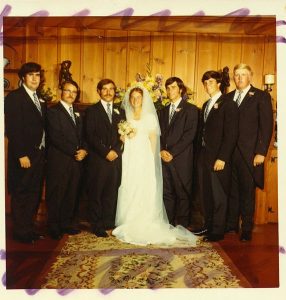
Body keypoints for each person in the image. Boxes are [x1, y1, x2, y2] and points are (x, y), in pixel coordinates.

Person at [112, 85, 198, 246]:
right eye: (133, 97)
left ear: (143, 100)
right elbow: (123, 139)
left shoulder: (150, 117)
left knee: (144, 187)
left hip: (144, 157)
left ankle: (146, 220)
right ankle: (129, 219)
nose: (136, 100)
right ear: (129, 100)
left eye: (139, 97)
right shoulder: (127, 116)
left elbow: (153, 140)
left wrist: (152, 160)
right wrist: (124, 136)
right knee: (130, 185)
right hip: (130, 157)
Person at [225, 63, 273, 241]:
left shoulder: (261, 96)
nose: (239, 78)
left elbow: (266, 127)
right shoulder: (228, 97)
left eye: (243, 74)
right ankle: (231, 225)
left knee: (247, 192)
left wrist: (261, 152)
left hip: (250, 153)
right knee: (232, 190)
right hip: (230, 154)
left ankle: (246, 228)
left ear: (250, 76)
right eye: (236, 75)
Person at [4, 62, 46, 244]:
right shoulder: (15, 97)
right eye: (31, 75)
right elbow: (12, 128)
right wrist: (21, 154)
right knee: (21, 193)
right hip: (24, 156)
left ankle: (29, 229)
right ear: (23, 78)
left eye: (37, 75)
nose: (35, 78)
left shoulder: (40, 99)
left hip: (39, 156)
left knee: (34, 193)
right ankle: (20, 233)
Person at [194, 70, 238, 241]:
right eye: (205, 82)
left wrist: (223, 158)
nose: (207, 85)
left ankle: (218, 231)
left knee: (219, 194)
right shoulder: (206, 105)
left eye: (211, 82)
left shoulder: (228, 104)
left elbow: (231, 134)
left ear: (219, 84)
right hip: (204, 156)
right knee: (206, 194)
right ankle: (208, 226)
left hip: (218, 158)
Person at [45, 80, 88, 240]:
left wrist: (84, 150)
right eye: (68, 91)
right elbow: (56, 137)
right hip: (59, 160)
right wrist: (75, 151)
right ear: (61, 92)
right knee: (57, 193)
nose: (71, 94)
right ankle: (54, 226)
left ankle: (66, 224)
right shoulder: (52, 111)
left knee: (72, 192)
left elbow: (84, 136)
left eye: (74, 92)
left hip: (76, 161)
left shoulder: (78, 113)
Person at [85, 79, 125, 237]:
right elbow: (90, 135)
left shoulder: (119, 111)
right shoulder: (92, 111)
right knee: (97, 191)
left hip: (115, 158)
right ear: (99, 91)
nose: (108, 92)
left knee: (112, 191)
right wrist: (105, 152)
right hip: (98, 159)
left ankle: (109, 222)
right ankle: (96, 224)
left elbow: (123, 134)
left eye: (111, 89)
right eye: (105, 89)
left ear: (115, 92)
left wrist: (115, 151)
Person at [158, 77, 198, 228]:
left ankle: (182, 226)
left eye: (173, 87)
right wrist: (161, 150)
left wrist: (172, 153)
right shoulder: (162, 111)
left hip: (181, 159)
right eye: (168, 88)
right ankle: (167, 224)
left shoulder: (191, 109)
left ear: (180, 89)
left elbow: (189, 135)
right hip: (163, 158)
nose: (170, 91)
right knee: (167, 193)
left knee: (182, 193)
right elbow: (158, 133)